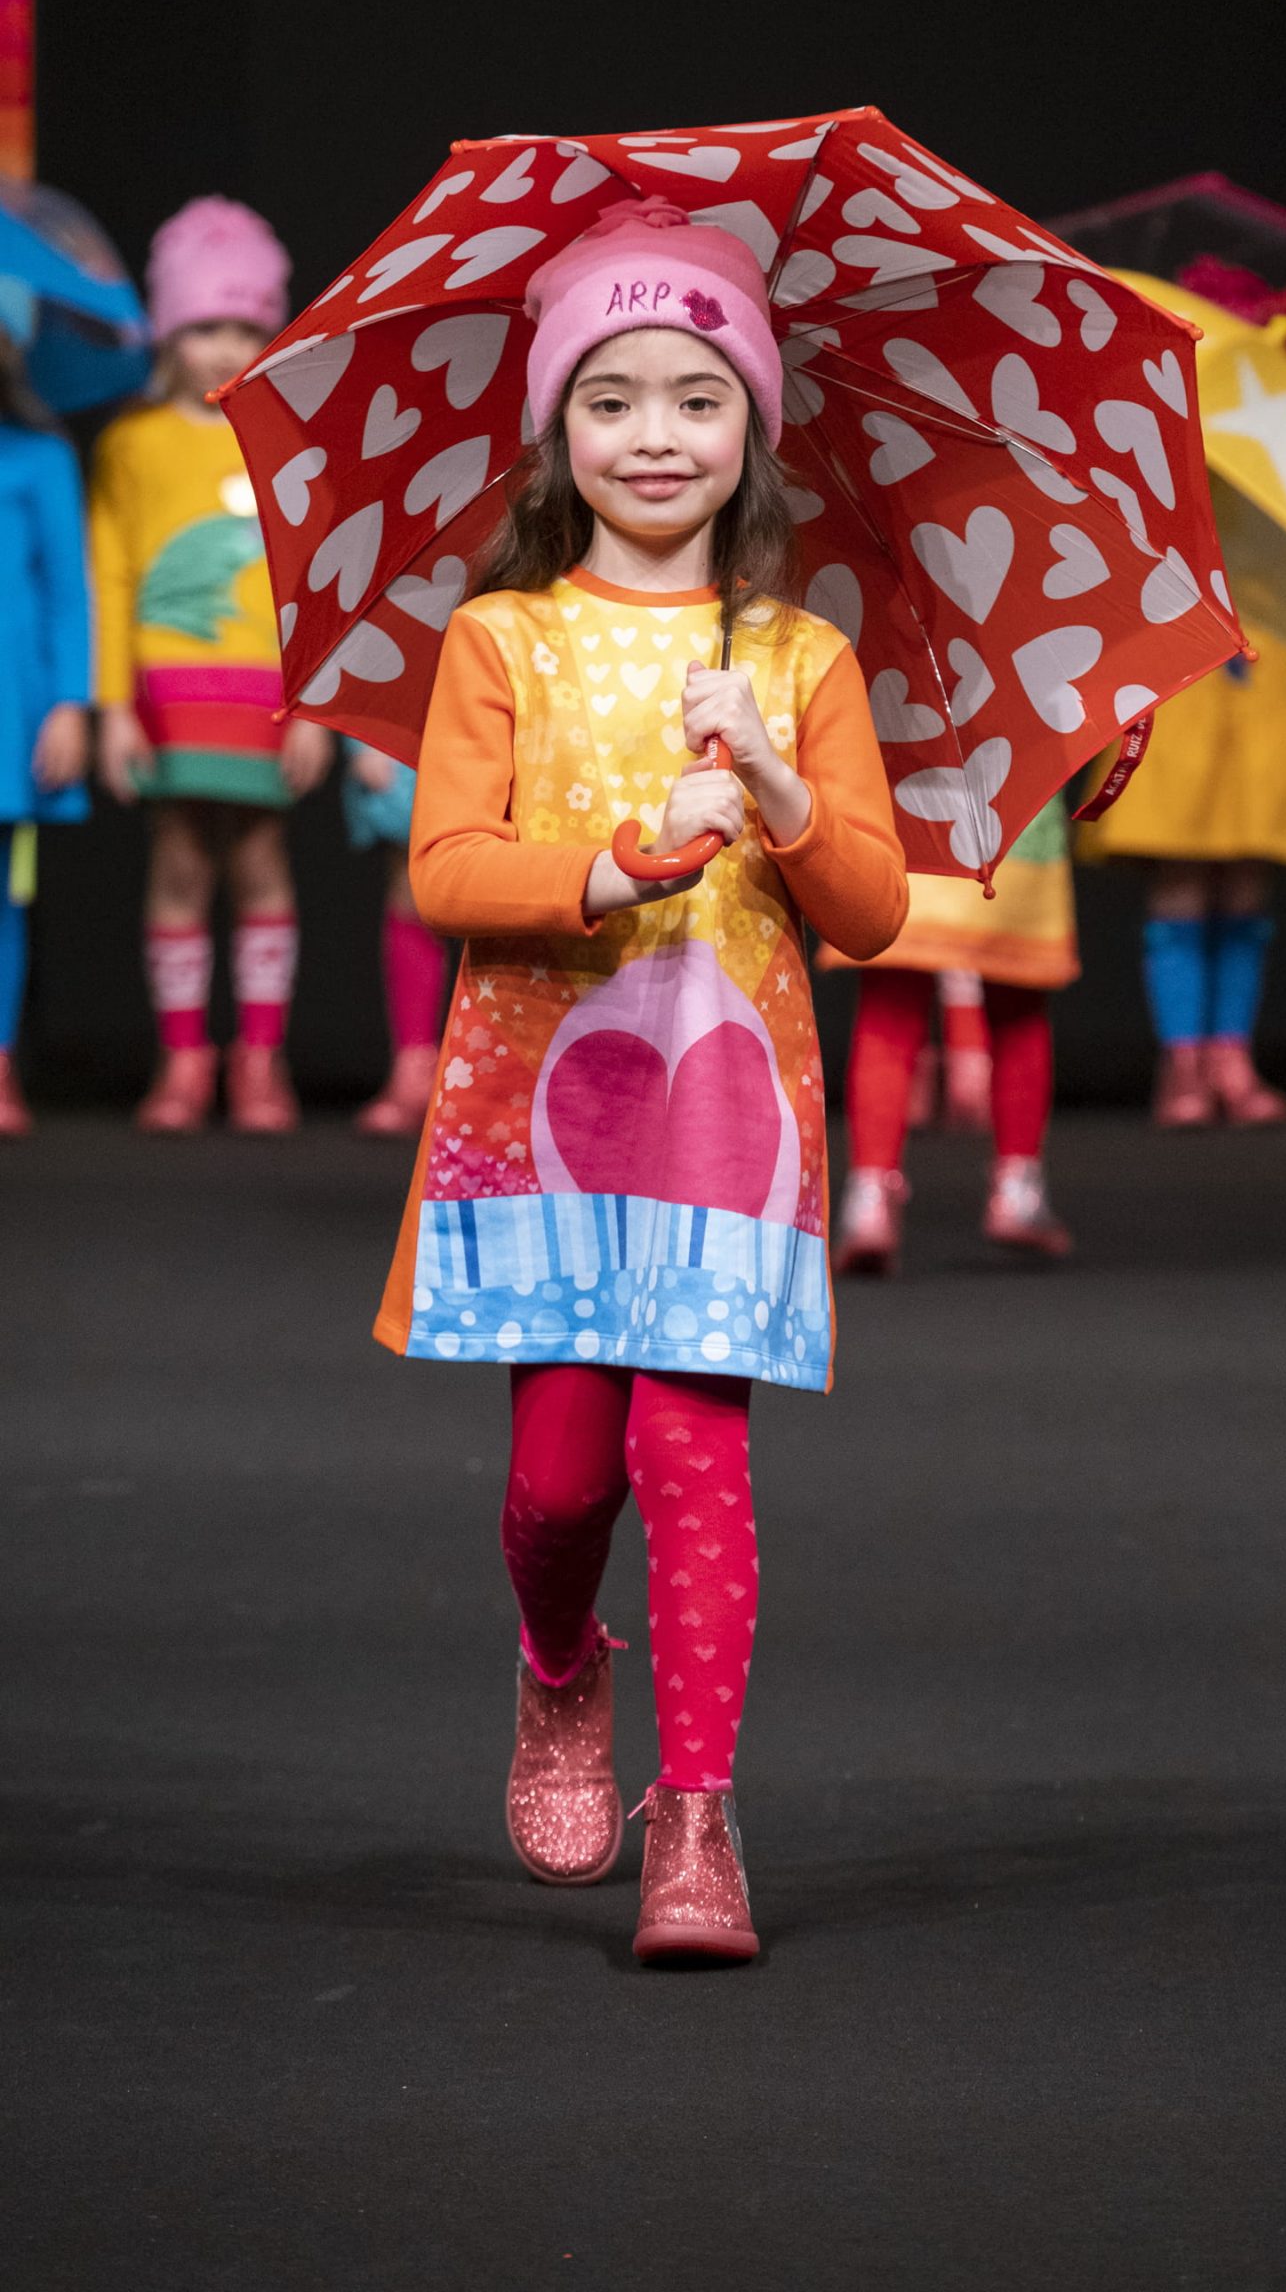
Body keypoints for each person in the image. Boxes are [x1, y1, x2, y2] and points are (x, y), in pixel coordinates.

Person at [372, 196, 906, 1961]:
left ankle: (697, 1823)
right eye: (609, 399)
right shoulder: (503, 641)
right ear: (556, 429)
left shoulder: (798, 661)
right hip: (539, 1116)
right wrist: (615, 862)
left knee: (693, 1460)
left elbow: (872, 913)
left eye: (696, 396)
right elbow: (446, 869)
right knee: (560, 1488)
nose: (654, 435)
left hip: (725, 1125)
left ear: (753, 425)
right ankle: (554, 1666)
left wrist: (781, 786)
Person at [90, 198, 332, 1134]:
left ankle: (259, 1061)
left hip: (266, 693)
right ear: (167, 334)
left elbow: (315, 577)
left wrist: (314, 705)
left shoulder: (290, 437)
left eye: (245, 327)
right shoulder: (131, 444)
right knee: (181, 858)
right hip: (168, 694)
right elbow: (111, 575)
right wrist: (113, 708)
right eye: (202, 328)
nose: (224, 348)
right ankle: (183, 1059)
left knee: (261, 857)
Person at [1075, 631, 1286, 1125]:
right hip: (1180, 656)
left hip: (1263, 664)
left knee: (1247, 881)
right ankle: (1183, 1062)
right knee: (1180, 873)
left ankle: (1231, 1057)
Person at [824, 796, 1079, 1268]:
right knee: (1019, 1007)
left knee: (888, 1013)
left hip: (905, 815)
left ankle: (869, 1203)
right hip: (1008, 818)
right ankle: (1018, 1194)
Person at [0, 293, 91, 1135]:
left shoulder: (41, 457)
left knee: (4, 898)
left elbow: (69, 593)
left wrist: (70, 702)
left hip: (12, 708)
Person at [340, 740, 444, 1137]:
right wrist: (366, 740)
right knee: (412, 880)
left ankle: (493, 1077)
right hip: (412, 737)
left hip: (509, 733)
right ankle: (414, 1072)